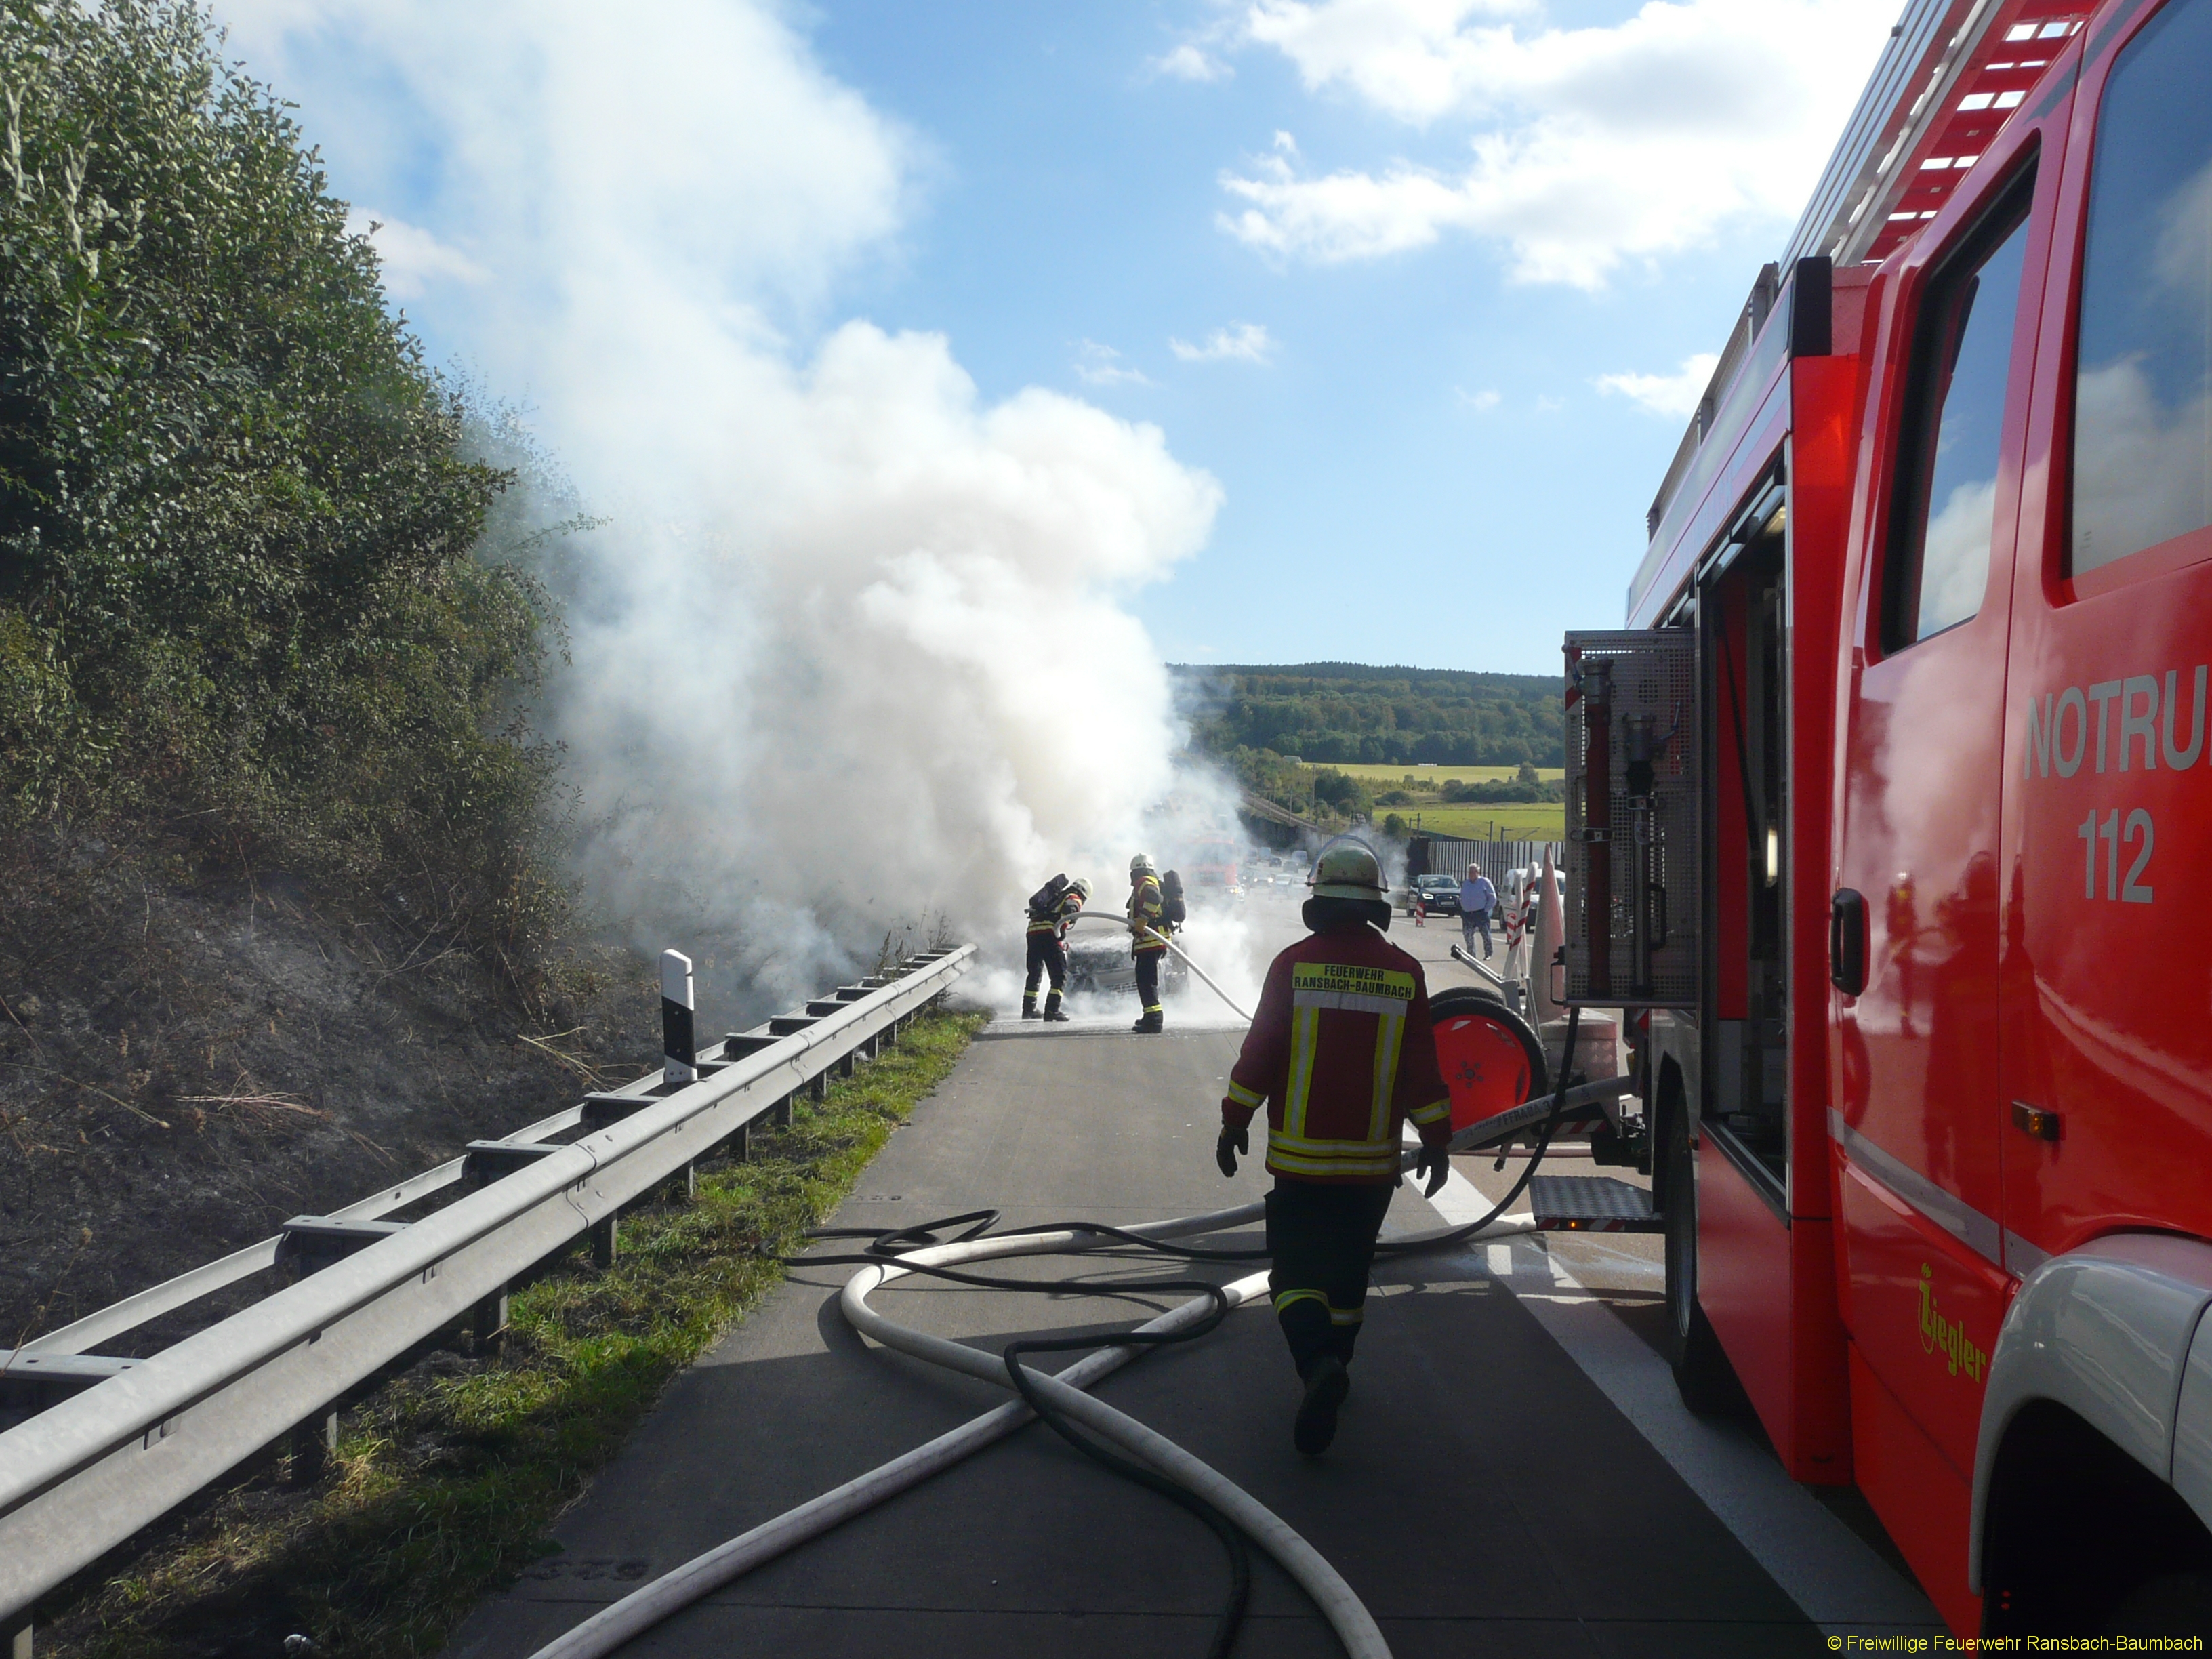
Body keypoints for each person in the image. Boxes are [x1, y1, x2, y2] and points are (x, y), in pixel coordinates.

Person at [1214, 841, 1452, 1455]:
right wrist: (1436, 1140)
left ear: (1317, 902)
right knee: (1348, 1279)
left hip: (1300, 1164)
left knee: (1293, 1273)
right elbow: (1422, 1069)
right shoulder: (1406, 973)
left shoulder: (1293, 965)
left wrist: (1234, 1120)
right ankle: (1338, 1363)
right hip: (1371, 1169)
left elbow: (1260, 1055)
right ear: (1376, 905)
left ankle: (1316, 1365)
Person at [1023, 876, 1091, 1021]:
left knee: (1034, 973)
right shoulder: (1074, 897)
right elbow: (1069, 910)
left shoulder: (1056, 896)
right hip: (1048, 935)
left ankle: (1028, 1010)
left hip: (1033, 934)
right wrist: (1069, 920)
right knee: (1059, 975)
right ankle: (1052, 1011)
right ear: (1084, 894)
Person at [1126, 853, 1170, 1033]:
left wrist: (1143, 919)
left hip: (1151, 940)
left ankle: (1154, 1020)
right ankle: (1149, 1016)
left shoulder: (1144, 881)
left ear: (1135, 870)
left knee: (1146, 981)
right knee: (1146, 979)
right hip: (1152, 939)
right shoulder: (1151, 879)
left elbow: (1153, 898)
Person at [1460, 864, 1497, 958]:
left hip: (1481, 912)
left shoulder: (1484, 882)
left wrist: (1486, 909)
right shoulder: (1466, 883)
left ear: (1478, 873)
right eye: (1470, 872)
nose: (1471, 874)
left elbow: (1492, 897)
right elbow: (1462, 896)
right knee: (1467, 934)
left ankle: (1488, 954)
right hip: (1468, 913)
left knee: (1485, 934)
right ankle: (1471, 954)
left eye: (1473, 872)